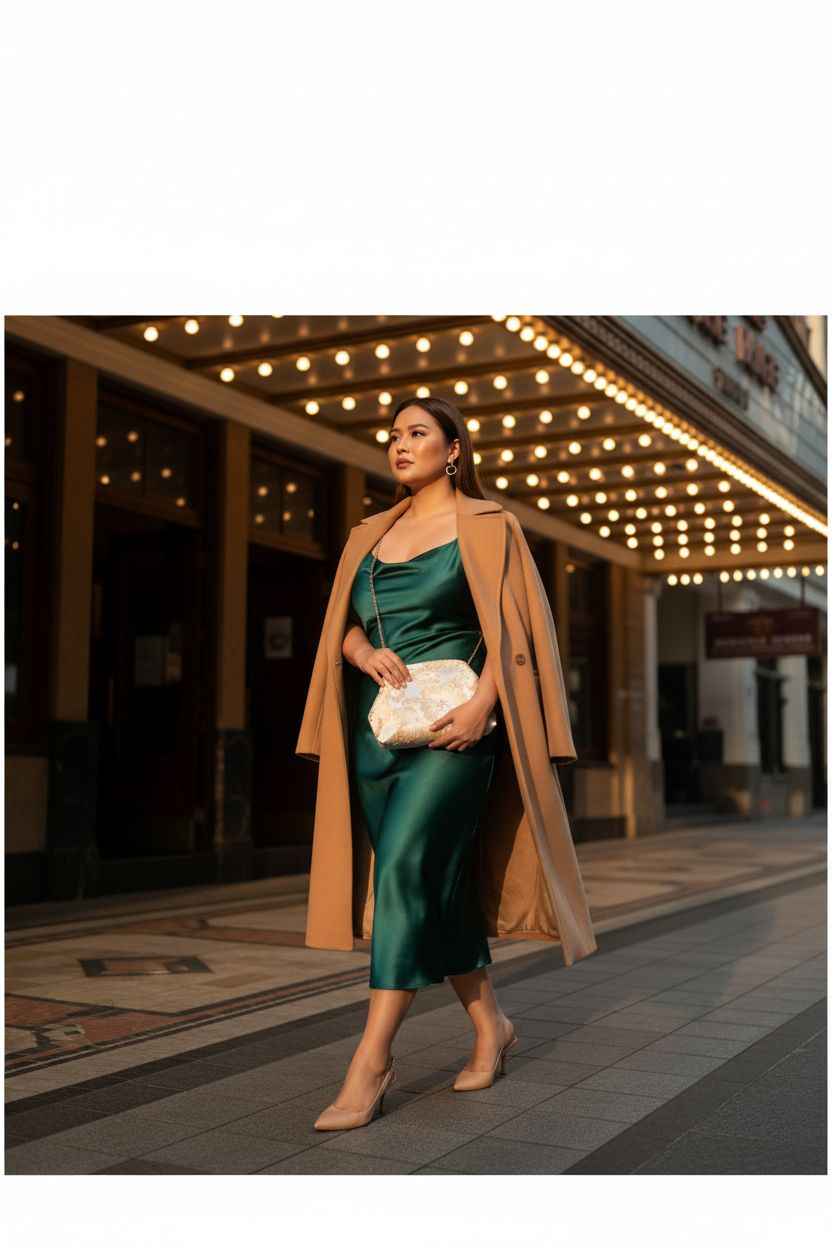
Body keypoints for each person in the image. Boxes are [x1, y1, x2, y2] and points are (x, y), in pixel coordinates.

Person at [298, 394, 596, 1131]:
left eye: (418, 433)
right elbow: (343, 629)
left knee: (402, 869)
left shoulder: (491, 526)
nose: (400, 445)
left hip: (458, 733)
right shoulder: (368, 534)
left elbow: (517, 628)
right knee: (440, 889)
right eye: (394, 435)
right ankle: (491, 1025)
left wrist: (485, 705)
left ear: (455, 448)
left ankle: (370, 1062)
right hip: (379, 735)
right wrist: (364, 650)